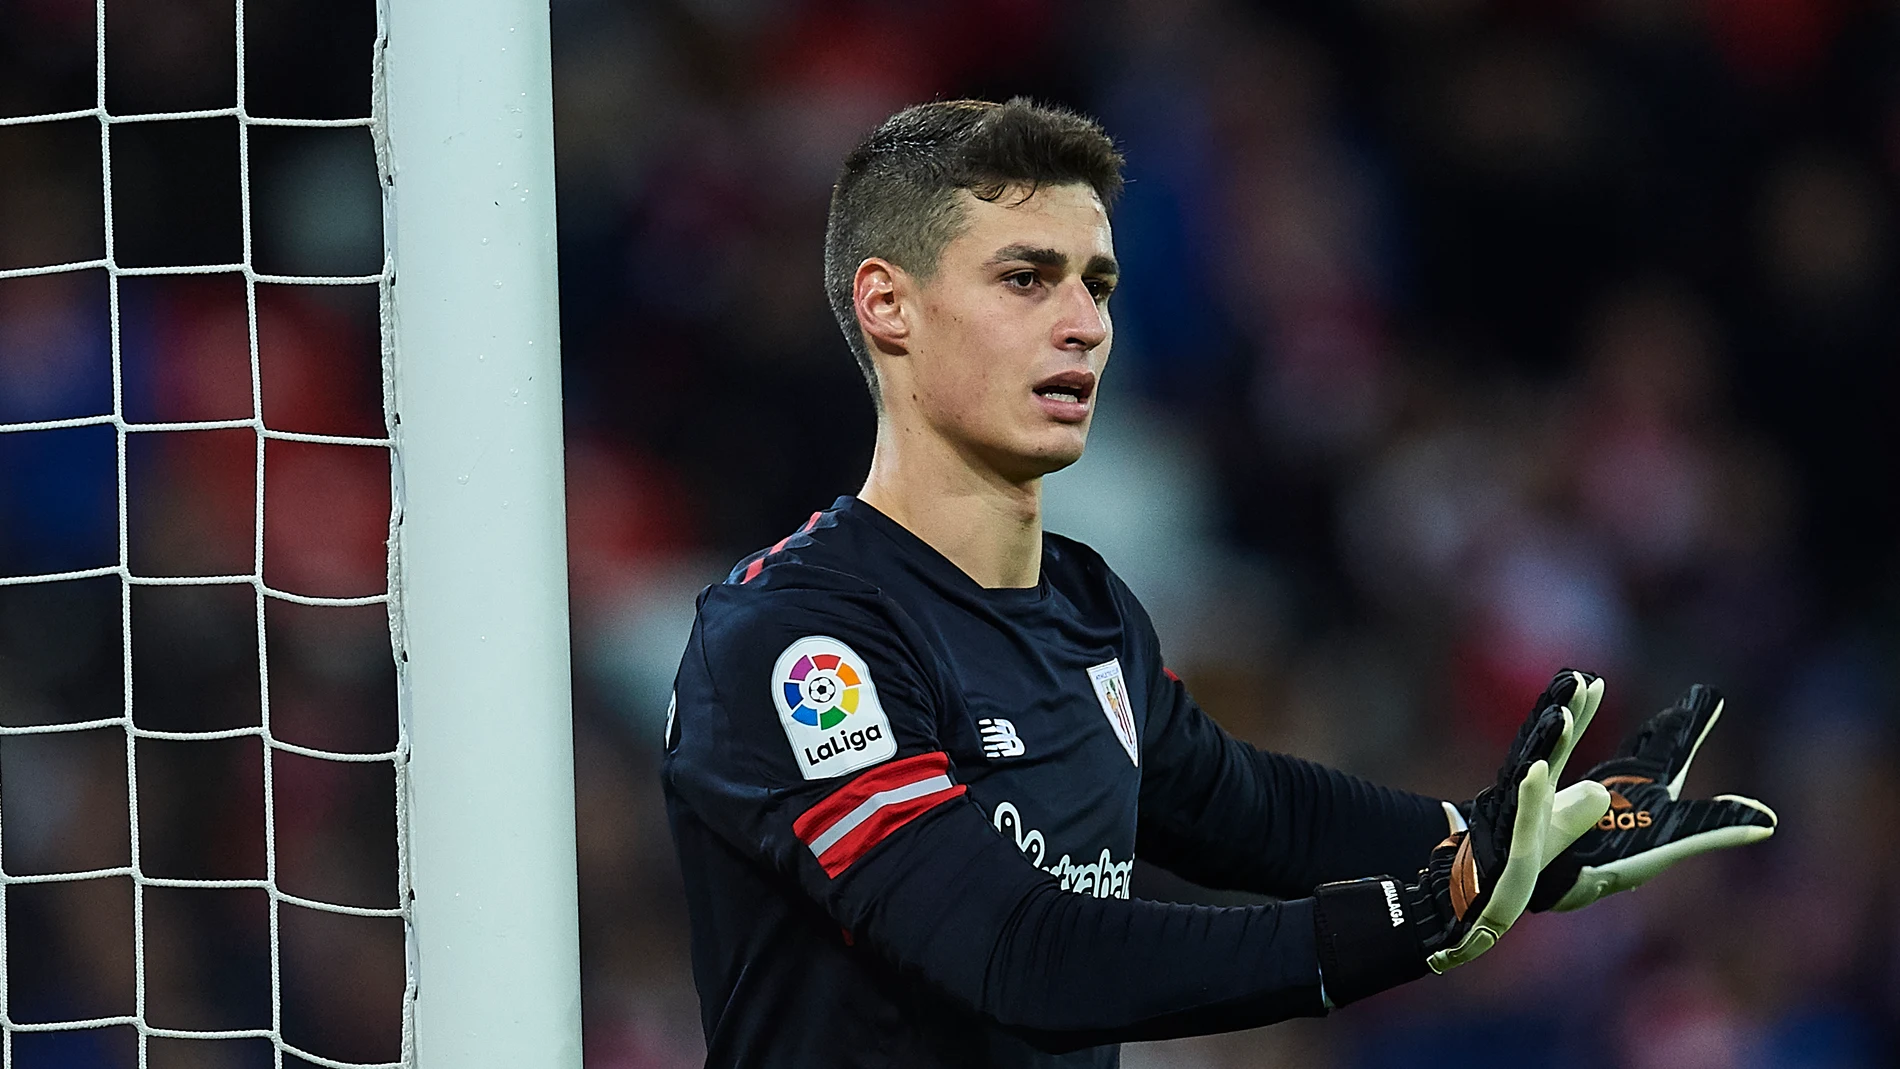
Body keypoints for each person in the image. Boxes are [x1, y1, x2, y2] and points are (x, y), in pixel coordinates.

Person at [660, 98, 1777, 1068]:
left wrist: (1513, 840)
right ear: (887, 306)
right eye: (1024, 278)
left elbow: (1255, 811)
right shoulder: (796, 641)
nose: (1083, 322)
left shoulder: (1088, 609)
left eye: (1096, 282)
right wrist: (1411, 917)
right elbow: (1018, 953)